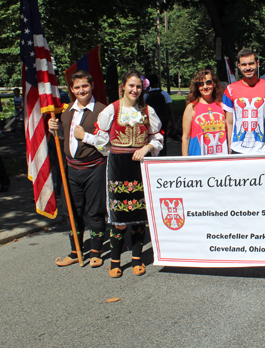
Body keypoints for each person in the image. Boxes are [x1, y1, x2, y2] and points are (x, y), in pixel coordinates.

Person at [96, 69, 163, 278]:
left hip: (140, 165)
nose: (134, 90)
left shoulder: (147, 110)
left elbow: (158, 135)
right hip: (118, 166)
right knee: (120, 216)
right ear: (122, 87)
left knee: (139, 215)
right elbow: (100, 139)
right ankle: (115, 260)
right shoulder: (111, 110)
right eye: (131, 85)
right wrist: (114, 154)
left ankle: (136, 259)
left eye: (138, 86)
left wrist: (147, 148)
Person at [48, 70, 108, 268]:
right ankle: (76, 251)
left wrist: (86, 137)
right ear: (72, 90)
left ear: (91, 86)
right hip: (71, 169)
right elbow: (65, 139)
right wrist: (54, 129)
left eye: (85, 86)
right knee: (72, 210)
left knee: (95, 210)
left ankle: (97, 251)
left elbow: (109, 143)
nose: (81, 90)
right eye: (77, 87)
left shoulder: (103, 110)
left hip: (95, 167)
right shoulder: (67, 112)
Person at [223, 48, 265, 154]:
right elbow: (229, 123)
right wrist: (229, 149)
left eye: (251, 64)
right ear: (239, 66)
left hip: (263, 150)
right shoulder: (230, 90)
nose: (248, 68)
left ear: (257, 63)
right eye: (244, 65)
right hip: (238, 150)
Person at [181, 69, 227, 156]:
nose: (205, 86)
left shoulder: (222, 107)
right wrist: (185, 162)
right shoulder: (191, 108)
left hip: (220, 158)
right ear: (197, 87)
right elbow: (185, 138)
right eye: (201, 84)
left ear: (214, 84)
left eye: (208, 82)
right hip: (198, 158)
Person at [145, 74, 176, 155]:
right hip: (163, 121)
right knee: (162, 141)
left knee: (150, 140)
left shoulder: (146, 95)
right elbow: (169, 110)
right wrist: (173, 124)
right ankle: (162, 158)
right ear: (158, 82)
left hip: (150, 123)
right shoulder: (164, 94)